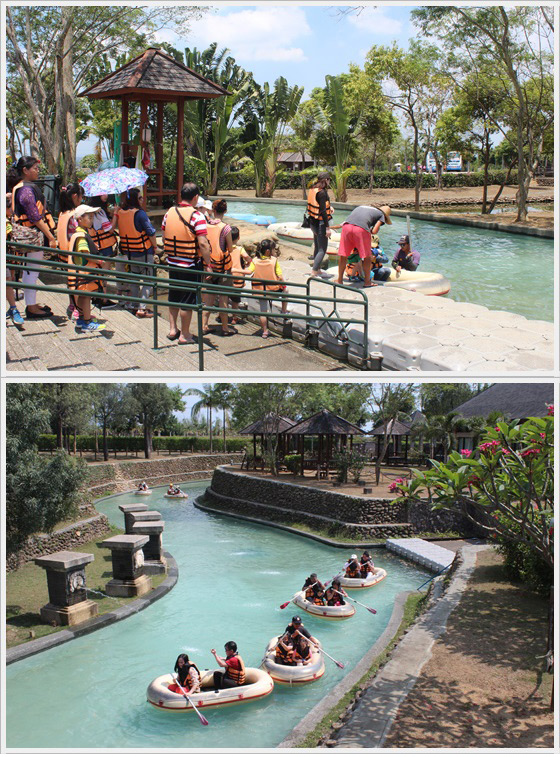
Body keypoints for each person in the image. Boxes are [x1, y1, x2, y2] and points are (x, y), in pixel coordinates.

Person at [162, 182, 212, 344]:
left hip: (173, 262)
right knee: (187, 301)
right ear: (196, 198)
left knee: (174, 296)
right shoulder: (197, 216)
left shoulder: (169, 213)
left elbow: (164, 237)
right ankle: (185, 334)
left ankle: (172, 329)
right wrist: (209, 265)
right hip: (190, 265)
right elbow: (203, 244)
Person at [7, 156, 57, 319]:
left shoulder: (18, 187)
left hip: (25, 234)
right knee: (32, 271)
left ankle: (32, 304)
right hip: (31, 235)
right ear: (25, 170)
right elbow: (35, 217)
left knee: (30, 270)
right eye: (34, 168)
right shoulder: (26, 190)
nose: (37, 171)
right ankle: (31, 307)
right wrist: (51, 237)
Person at [113, 188, 157, 318]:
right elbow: (151, 232)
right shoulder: (140, 214)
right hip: (144, 252)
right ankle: (142, 309)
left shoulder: (120, 213)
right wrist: (155, 246)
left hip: (130, 253)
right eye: (140, 198)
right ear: (135, 200)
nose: (142, 200)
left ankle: (133, 305)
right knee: (148, 281)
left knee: (134, 280)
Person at [68, 205, 108, 332]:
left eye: (92, 217)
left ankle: (81, 319)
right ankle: (86, 321)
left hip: (80, 272)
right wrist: (100, 261)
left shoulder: (80, 233)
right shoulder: (81, 236)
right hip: (84, 272)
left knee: (83, 297)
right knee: (86, 297)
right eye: (89, 217)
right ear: (80, 219)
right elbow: (85, 253)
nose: (91, 220)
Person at [201, 198, 235, 337]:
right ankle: (225, 328)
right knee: (223, 299)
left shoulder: (206, 225)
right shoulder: (226, 228)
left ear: (213, 211)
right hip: (222, 268)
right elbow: (230, 248)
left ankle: (204, 325)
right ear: (225, 211)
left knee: (208, 298)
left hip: (209, 265)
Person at [336, 204, 392, 287]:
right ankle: (367, 282)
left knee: (343, 255)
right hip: (360, 230)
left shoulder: (362, 207)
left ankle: (339, 280)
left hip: (346, 227)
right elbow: (374, 231)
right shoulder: (381, 215)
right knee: (367, 257)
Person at [250, 238, 288, 339]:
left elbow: (249, 271)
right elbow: (280, 277)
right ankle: (284, 311)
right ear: (268, 251)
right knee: (286, 291)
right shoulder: (274, 261)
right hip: (273, 291)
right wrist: (283, 286)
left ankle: (265, 332)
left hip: (260, 291)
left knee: (263, 311)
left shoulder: (254, 260)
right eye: (273, 249)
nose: (274, 251)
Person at [87, 194, 118, 309]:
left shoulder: (89, 210)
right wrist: (115, 213)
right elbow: (110, 230)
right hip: (104, 247)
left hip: (95, 245)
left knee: (97, 272)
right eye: (103, 193)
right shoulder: (99, 212)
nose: (106, 195)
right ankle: (103, 299)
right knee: (104, 273)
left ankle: (96, 297)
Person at [307, 171, 333, 277]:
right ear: (326, 180)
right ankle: (314, 271)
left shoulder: (313, 189)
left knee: (317, 247)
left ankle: (317, 270)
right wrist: (327, 228)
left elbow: (317, 204)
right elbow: (322, 211)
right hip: (321, 223)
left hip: (312, 222)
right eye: (329, 180)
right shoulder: (322, 193)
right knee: (323, 249)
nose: (329, 182)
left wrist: (330, 207)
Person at [227, 226, 253, 322]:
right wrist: (248, 262)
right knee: (235, 299)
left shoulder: (225, 248)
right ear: (238, 238)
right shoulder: (240, 249)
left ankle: (222, 315)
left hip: (226, 275)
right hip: (237, 277)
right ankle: (234, 317)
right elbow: (247, 257)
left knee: (224, 297)